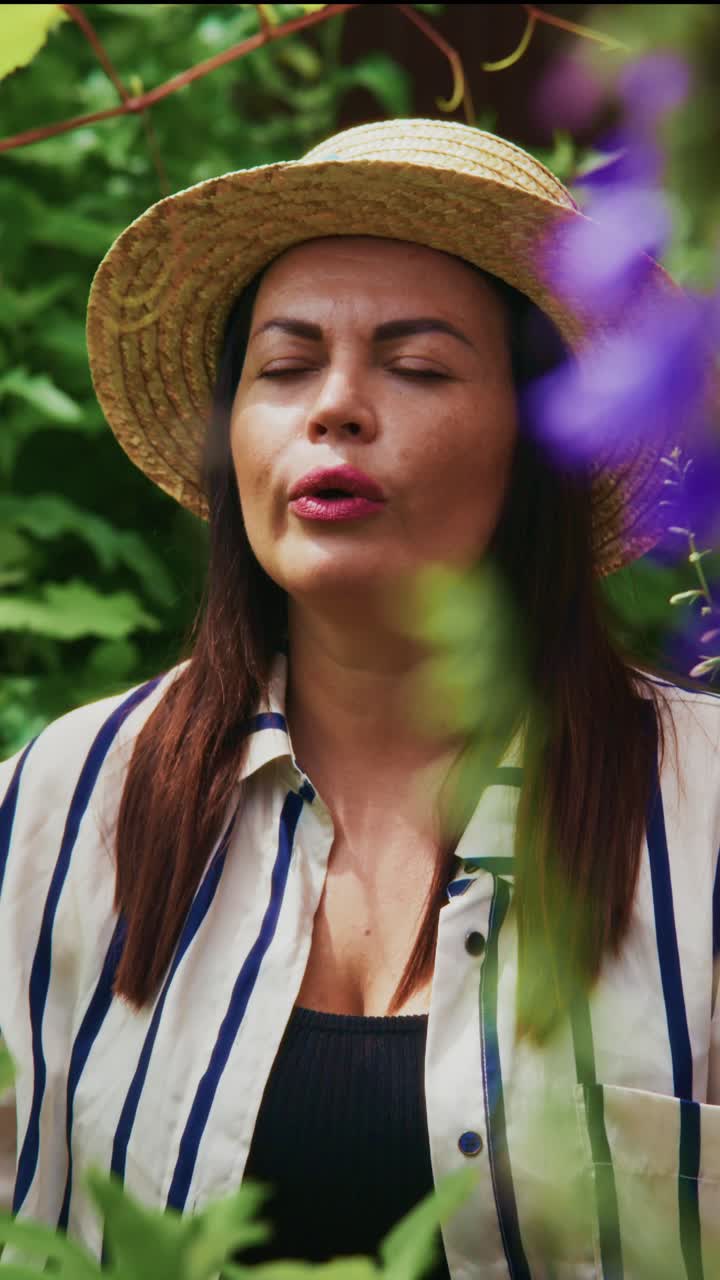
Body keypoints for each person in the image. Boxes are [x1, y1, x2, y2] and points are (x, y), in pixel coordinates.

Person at [1, 117, 719, 1280]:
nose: (334, 405)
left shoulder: (703, 810)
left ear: (544, 438)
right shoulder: (57, 808)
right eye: (285, 367)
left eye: (417, 365)